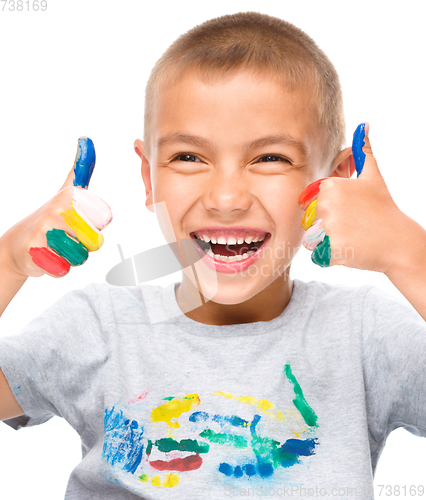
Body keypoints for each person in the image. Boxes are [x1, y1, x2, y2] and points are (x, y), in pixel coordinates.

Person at [1, 11, 425, 499]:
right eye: (188, 157)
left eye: (271, 158)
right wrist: (8, 261)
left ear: (337, 182)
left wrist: (408, 253)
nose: (226, 198)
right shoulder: (98, 328)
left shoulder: (366, 335)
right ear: (148, 177)